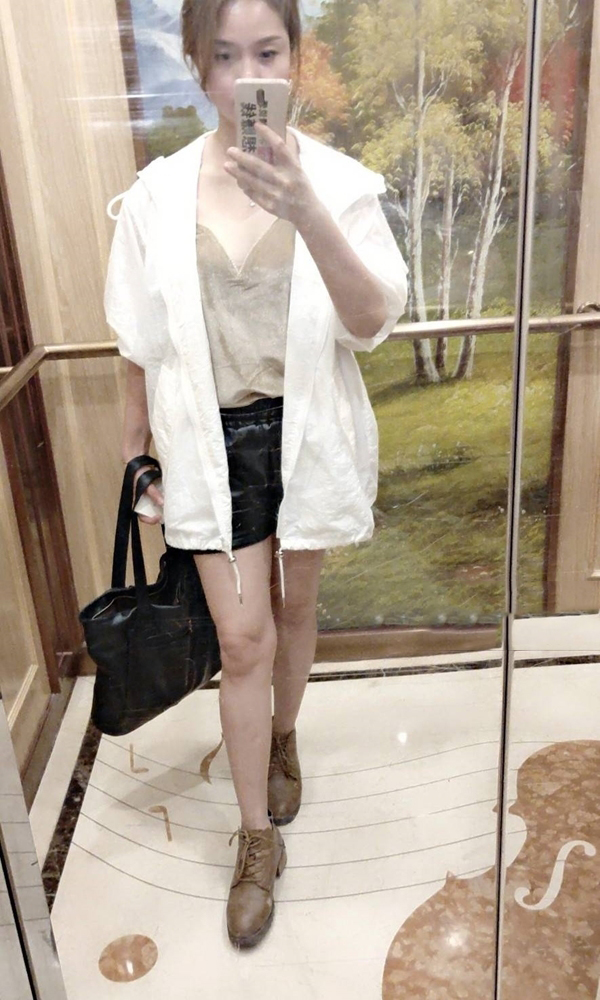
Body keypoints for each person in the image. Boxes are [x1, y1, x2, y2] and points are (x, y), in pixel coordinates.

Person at [104, 0, 407, 950]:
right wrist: (135, 452)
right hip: (209, 440)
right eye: (225, 56)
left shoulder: (341, 185)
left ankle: (283, 736)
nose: (246, 77)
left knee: (297, 606)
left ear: (296, 58)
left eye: (266, 52)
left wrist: (305, 208)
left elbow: (372, 321)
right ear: (199, 67)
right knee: (243, 641)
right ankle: (253, 838)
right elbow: (137, 338)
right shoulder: (157, 196)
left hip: (304, 433)